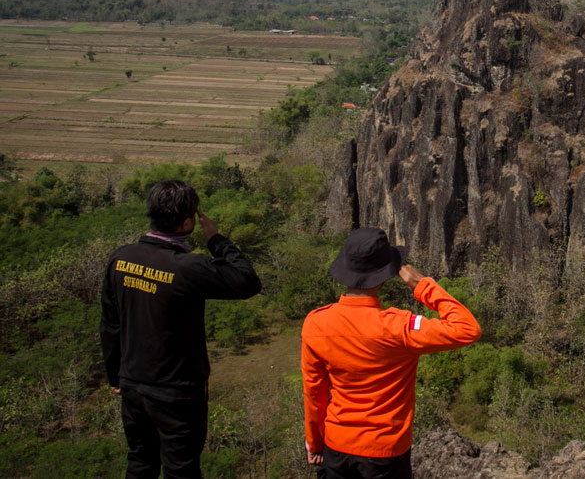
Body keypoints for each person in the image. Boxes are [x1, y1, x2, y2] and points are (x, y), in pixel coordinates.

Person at [100, 179, 262, 479]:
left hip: (133, 383)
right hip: (176, 391)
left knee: (140, 463)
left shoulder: (121, 258)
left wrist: (115, 374)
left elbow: (110, 324)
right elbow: (247, 281)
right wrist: (216, 240)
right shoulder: (187, 267)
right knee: (182, 469)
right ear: (188, 222)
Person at [302, 226, 481, 479]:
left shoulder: (315, 324)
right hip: (385, 453)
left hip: (336, 449)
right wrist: (422, 285)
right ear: (385, 276)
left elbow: (314, 391)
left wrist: (314, 442)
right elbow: (467, 329)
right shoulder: (399, 327)